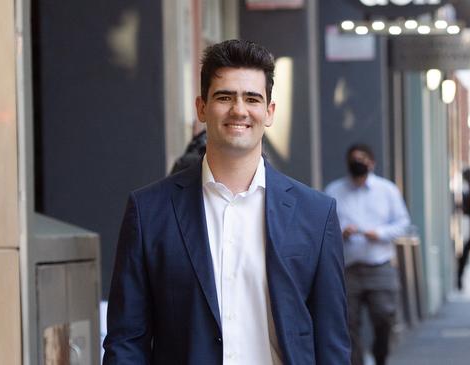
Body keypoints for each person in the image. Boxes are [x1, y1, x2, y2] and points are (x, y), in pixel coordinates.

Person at [103, 39, 351, 364]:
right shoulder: (149, 211)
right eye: (224, 96)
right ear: (201, 107)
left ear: (269, 111)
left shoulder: (316, 215)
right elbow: (126, 342)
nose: (239, 110)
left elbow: (332, 344)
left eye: (252, 98)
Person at [325, 144, 410, 365]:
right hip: (347, 268)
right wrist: (341, 232)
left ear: (372, 163)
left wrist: (380, 233)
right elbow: (324, 225)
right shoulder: (334, 190)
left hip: (379, 265)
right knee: (348, 324)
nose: (358, 163)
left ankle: (381, 356)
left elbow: (403, 223)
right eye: (354, 159)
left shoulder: (387, 190)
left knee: (384, 317)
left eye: (362, 159)